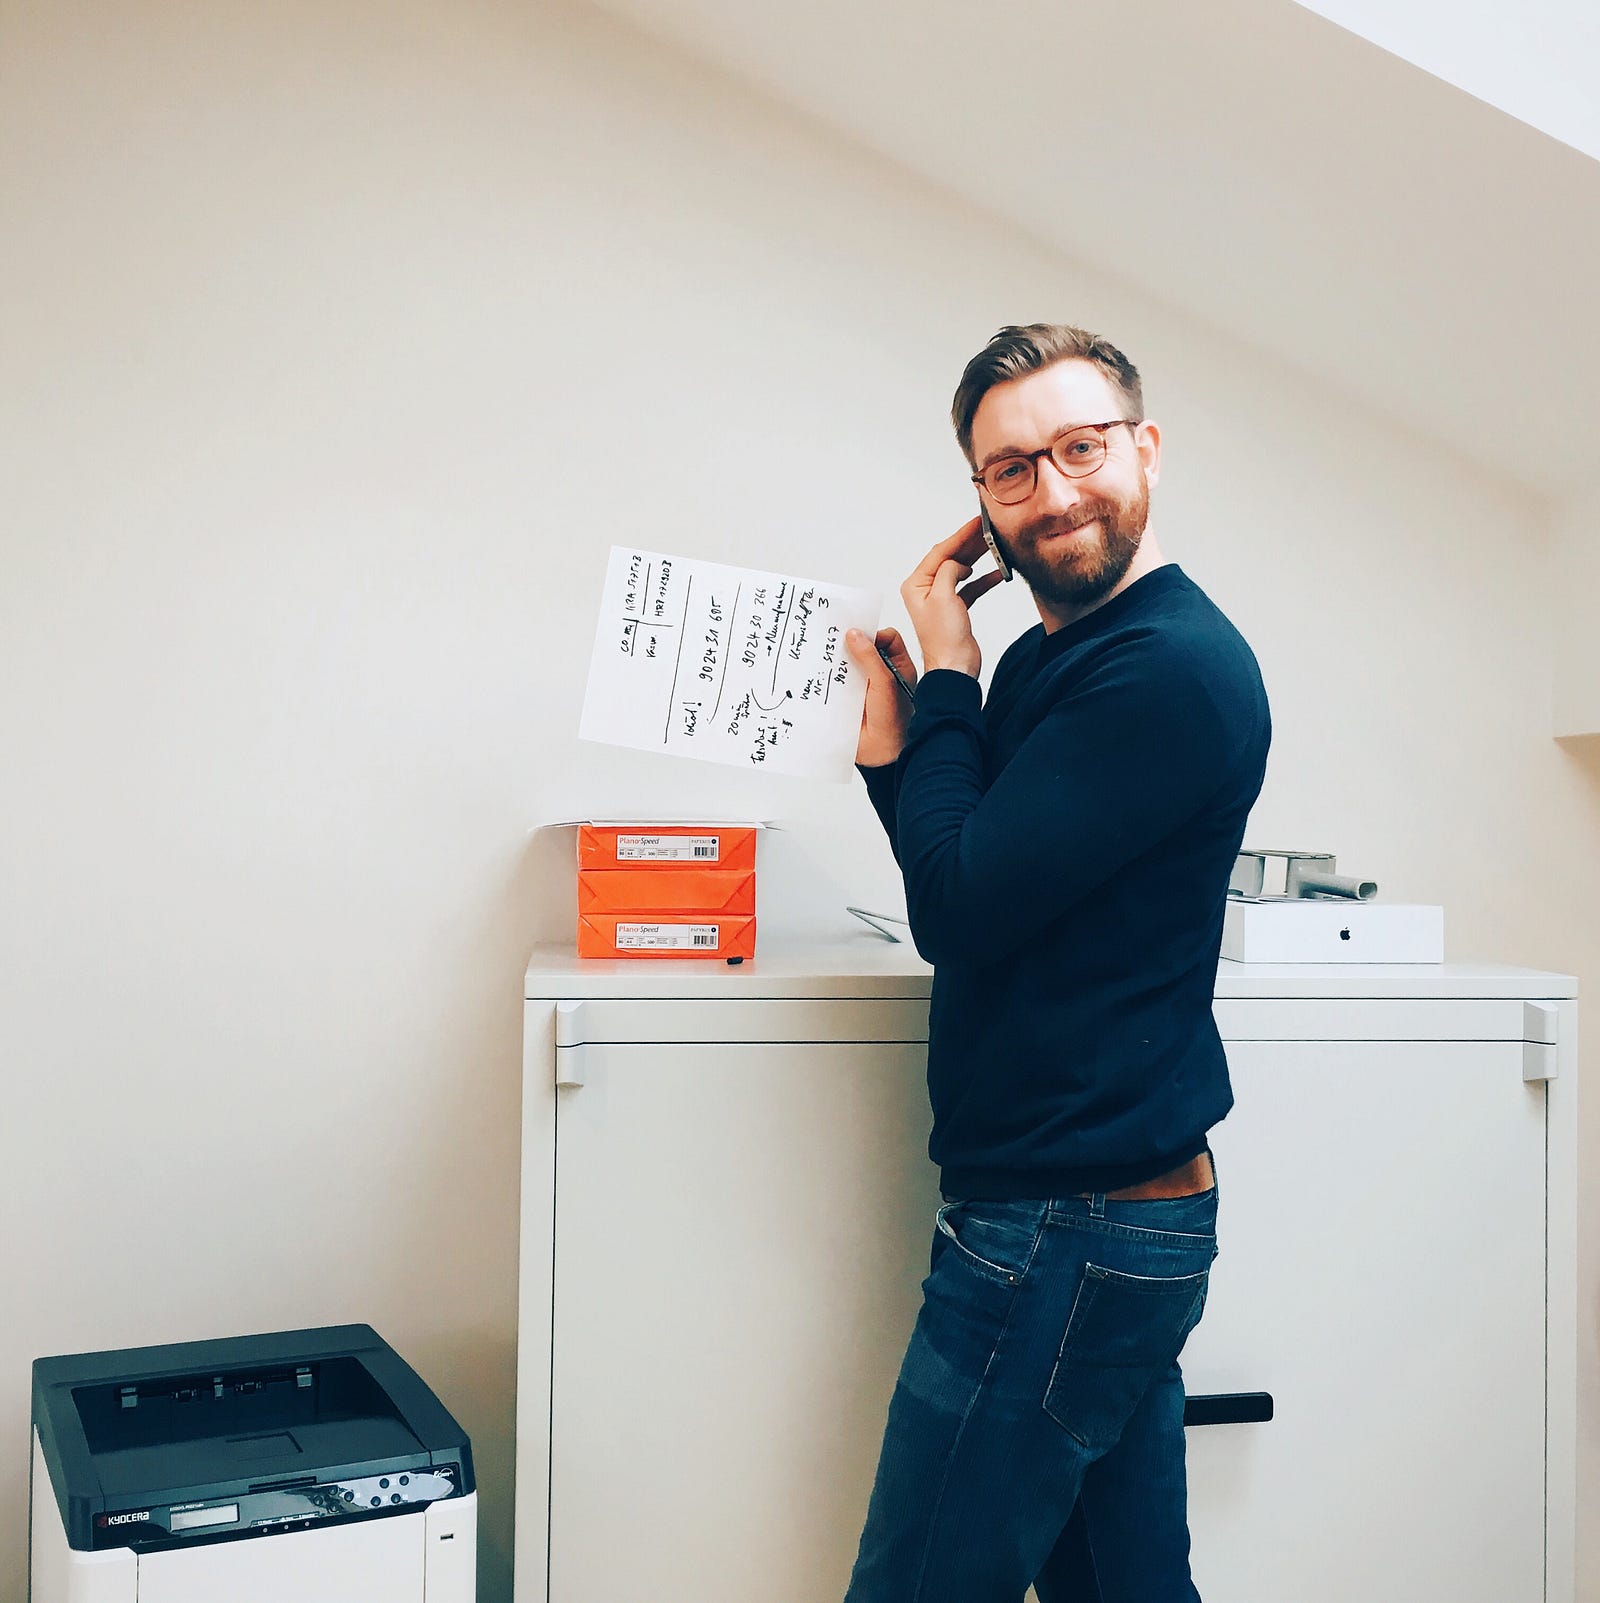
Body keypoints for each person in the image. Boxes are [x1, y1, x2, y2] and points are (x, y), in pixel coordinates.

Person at [839, 323, 1272, 1603]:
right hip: (1085, 1220)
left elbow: (960, 908)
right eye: (1012, 469)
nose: (1054, 491)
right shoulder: (1052, 659)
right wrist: (898, 743)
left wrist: (947, 683)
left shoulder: (1165, 667)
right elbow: (974, 881)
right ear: (980, 503)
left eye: (1081, 448)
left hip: (1068, 1227)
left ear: (1145, 449)